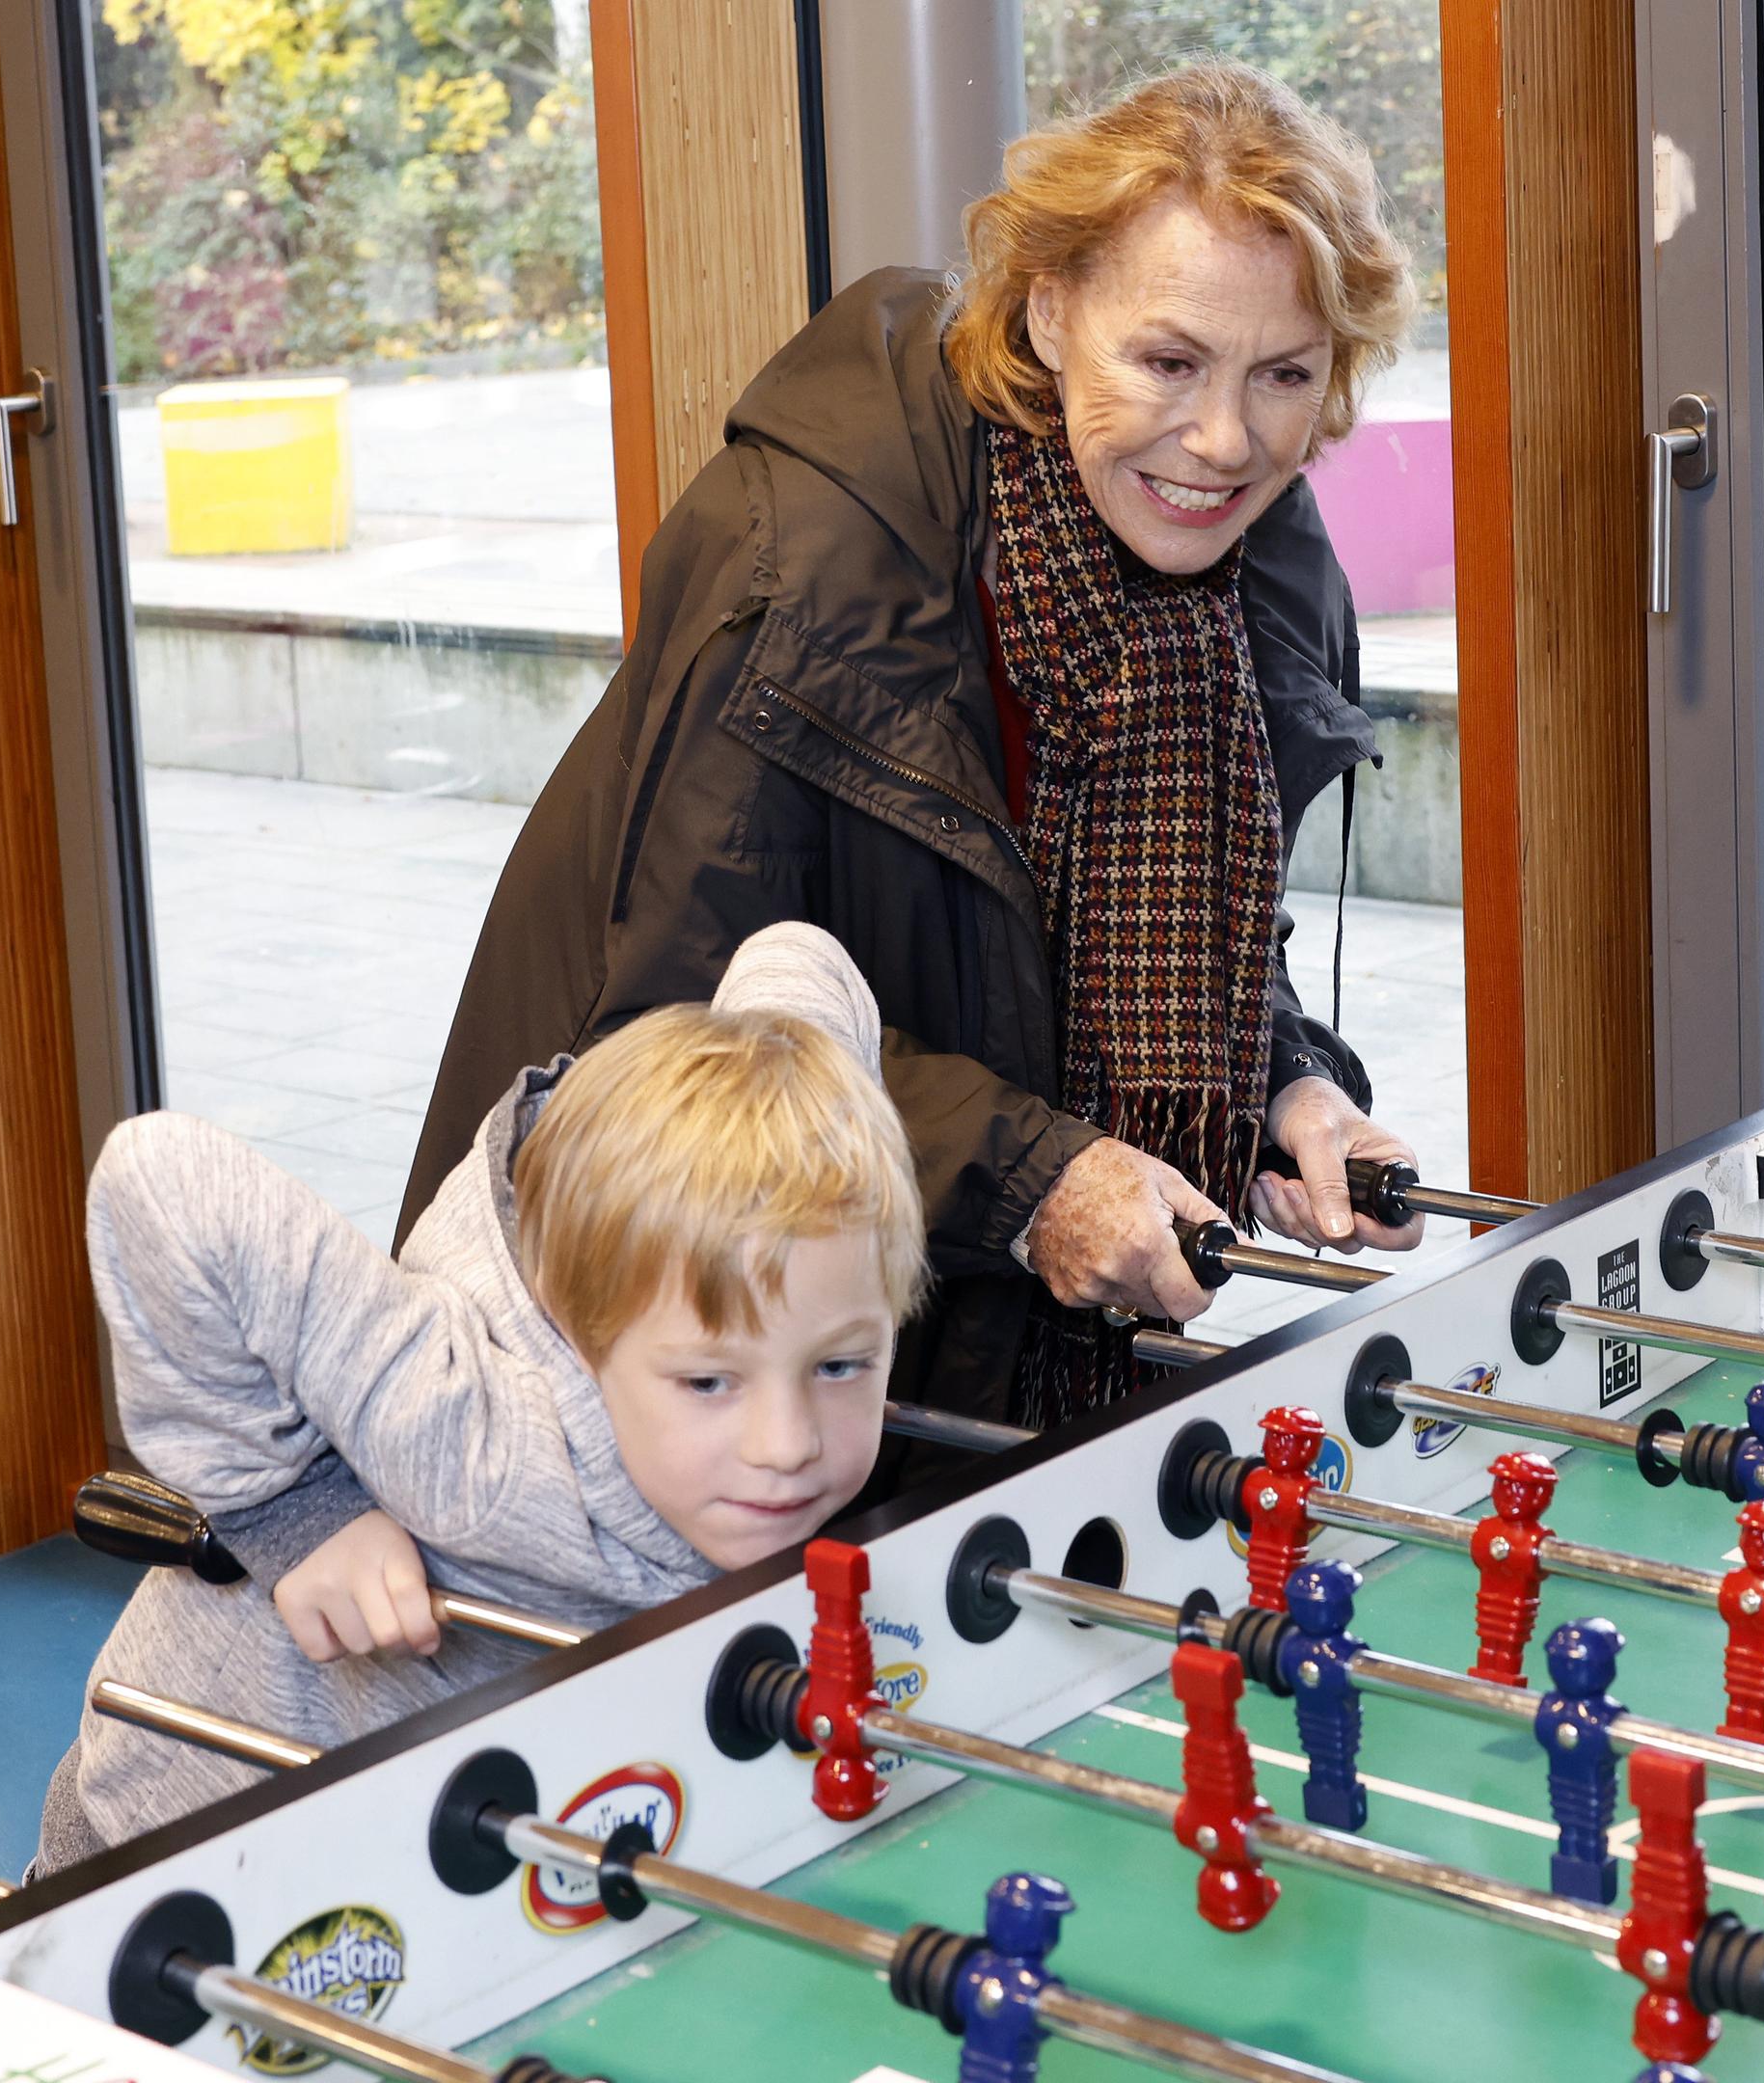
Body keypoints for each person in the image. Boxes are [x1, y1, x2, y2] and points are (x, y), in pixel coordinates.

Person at [401, 60, 1430, 1432]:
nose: (1225, 439)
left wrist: (1287, 1088)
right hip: (643, 1353)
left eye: (1286, 375)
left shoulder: (1260, 558)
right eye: (1169, 361)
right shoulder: (802, 566)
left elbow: (1145, 932)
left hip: (952, 1355)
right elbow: (670, 1041)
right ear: (1052, 311)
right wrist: (1031, 1182)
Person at [37, 927, 918, 1868]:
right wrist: (300, 1513)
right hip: (183, 1826)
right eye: (708, 1381)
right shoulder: (473, 1443)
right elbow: (163, 1180)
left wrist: (797, 1085)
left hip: (449, 1818)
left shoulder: (820, 1221)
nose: (786, 1445)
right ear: (582, 1335)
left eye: (839, 1366)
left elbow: (800, 953)